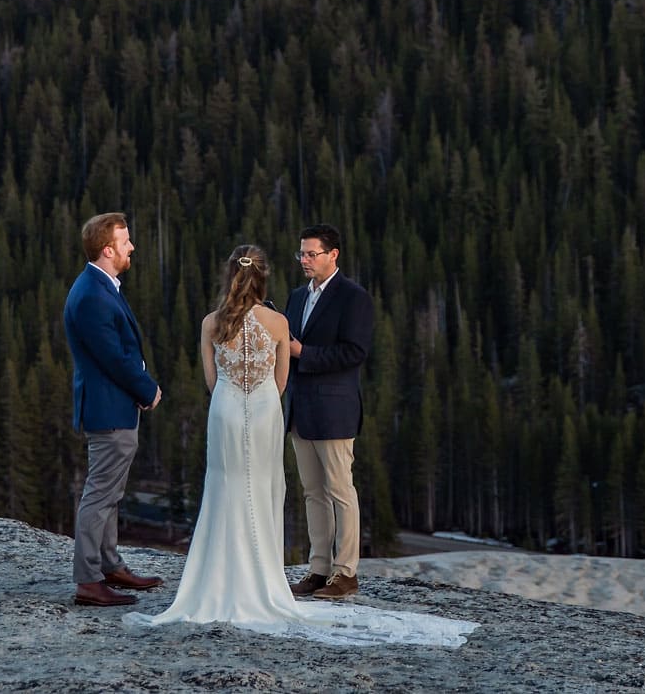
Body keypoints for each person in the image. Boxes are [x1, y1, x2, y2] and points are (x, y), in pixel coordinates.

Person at [126, 246, 473, 648]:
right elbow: (280, 380)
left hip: (223, 412)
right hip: (262, 411)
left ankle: (219, 577)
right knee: (263, 488)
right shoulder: (277, 322)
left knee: (224, 487)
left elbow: (210, 379)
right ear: (263, 278)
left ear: (228, 277)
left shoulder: (210, 323)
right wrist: (257, 399)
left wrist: (231, 395)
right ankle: (265, 578)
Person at [64, 211, 164, 607]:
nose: (132, 248)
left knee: (110, 491)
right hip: (109, 409)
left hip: (113, 406)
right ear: (108, 250)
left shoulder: (100, 286)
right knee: (100, 494)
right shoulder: (92, 295)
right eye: (126, 243)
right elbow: (113, 358)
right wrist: (148, 388)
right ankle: (88, 579)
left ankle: (109, 565)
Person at [284, 222, 373, 599]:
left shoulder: (353, 297)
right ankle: (319, 569)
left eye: (311, 253)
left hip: (335, 412)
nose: (304, 260)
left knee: (340, 491)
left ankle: (346, 572)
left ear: (333, 255)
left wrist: (303, 353)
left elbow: (355, 352)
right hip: (300, 410)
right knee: (312, 492)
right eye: (301, 253)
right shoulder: (295, 297)